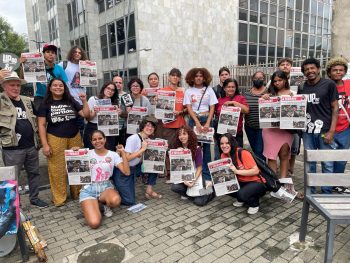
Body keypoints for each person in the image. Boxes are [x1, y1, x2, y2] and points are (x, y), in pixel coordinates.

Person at [37, 78, 90, 206]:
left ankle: (78, 193)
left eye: (60, 85)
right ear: (50, 88)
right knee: (57, 169)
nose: (58, 87)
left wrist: (84, 101)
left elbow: (85, 114)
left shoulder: (71, 101)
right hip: (55, 138)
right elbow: (42, 125)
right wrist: (45, 145)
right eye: (55, 85)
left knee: (77, 166)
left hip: (75, 137)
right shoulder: (45, 104)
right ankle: (59, 198)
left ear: (64, 88)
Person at [0, 72, 48, 208]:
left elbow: (37, 119)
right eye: (12, 85)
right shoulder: (1, 99)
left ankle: (34, 198)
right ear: (4, 86)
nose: (15, 88)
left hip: (31, 145)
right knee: (12, 177)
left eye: (17, 85)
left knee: (34, 173)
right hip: (12, 148)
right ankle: (14, 204)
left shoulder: (27, 100)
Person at [298, 58, 339, 194]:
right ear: (304, 72)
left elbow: (335, 108)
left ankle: (327, 193)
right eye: (306, 70)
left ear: (318, 69)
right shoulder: (302, 87)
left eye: (312, 68)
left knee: (327, 163)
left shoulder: (329, 84)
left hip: (325, 131)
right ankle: (311, 193)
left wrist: (332, 131)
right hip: (307, 131)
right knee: (310, 163)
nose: (310, 71)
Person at [78, 130, 130, 229]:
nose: (97, 141)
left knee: (115, 201)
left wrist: (123, 153)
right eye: (94, 139)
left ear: (105, 139)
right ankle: (94, 204)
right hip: (89, 189)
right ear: (91, 142)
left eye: (100, 138)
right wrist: (74, 153)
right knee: (94, 223)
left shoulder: (113, 155)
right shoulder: (86, 153)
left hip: (105, 187)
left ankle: (104, 204)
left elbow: (127, 172)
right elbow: (72, 170)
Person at [112, 116, 161, 205]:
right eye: (148, 125)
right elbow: (126, 158)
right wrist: (142, 149)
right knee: (130, 201)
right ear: (142, 126)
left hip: (135, 169)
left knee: (156, 164)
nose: (150, 128)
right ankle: (113, 190)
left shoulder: (147, 140)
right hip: (123, 170)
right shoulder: (133, 138)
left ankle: (149, 190)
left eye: (152, 127)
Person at [183, 67, 218, 183]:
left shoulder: (209, 90)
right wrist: (197, 122)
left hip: (206, 119)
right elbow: (188, 108)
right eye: (196, 76)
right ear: (192, 78)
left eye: (200, 76)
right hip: (193, 121)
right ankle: (194, 175)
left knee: (207, 149)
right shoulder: (188, 91)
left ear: (204, 78)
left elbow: (212, 107)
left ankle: (207, 177)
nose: (198, 78)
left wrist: (208, 122)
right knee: (194, 148)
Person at [219, 133, 266, 215]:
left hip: (256, 182)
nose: (224, 145)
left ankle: (254, 204)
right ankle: (242, 198)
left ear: (232, 143)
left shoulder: (242, 153)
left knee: (242, 194)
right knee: (221, 187)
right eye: (222, 143)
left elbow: (256, 171)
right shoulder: (223, 155)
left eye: (227, 143)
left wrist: (237, 171)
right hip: (241, 181)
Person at [155, 68, 187, 182]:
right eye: (173, 75)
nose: (175, 77)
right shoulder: (162, 91)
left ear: (179, 78)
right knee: (168, 150)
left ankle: (180, 172)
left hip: (180, 125)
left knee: (180, 149)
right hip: (167, 126)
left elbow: (187, 109)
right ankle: (169, 173)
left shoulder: (183, 91)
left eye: (177, 76)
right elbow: (159, 110)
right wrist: (157, 102)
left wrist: (180, 112)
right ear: (169, 77)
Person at [171, 126, 214, 206]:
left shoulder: (197, 148)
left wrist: (193, 181)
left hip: (197, 176)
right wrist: (177, 154)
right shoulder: (177, 149)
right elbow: (176, 169)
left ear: (189, 135)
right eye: (180, 135)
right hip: (185, 178)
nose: (182, 137)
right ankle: (188, 193)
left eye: (184, 134)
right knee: (174, 187)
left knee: (199, 202)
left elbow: (199, 168)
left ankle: (211, 191)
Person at [326, 57, 350, 193]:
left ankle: (337, 183)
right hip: (329, 128)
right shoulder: (325, 85)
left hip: (346, 128)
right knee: (328, 158)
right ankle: (328, 184)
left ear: (345, 71)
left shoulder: (349, 84)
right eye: (335, 70)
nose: (338, 72)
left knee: (342, 159)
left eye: (341, 70)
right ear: (329, 72)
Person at [21, 44, 68, 111]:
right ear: (43, 54)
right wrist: (23, 65)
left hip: (55, 97)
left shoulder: (59, 69)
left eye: (53, 53)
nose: (50, 54)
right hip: (40, 97)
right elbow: (23, 78)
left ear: (55, 55)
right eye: (48, 52)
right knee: (40, 117)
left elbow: (65, 85)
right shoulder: (36, 66)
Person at [59, 46, 89, 137]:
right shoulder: (63, 64)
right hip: (67, 101)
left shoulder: (85, 65)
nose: (77, 54)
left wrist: (89, 66)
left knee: (80, 127)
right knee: (66, 126)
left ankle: (79, 147)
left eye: (79, 52)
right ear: (71, 53)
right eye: (75, 52)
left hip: (80, 101)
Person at [84, 81, 120, 150]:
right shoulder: (93, 99)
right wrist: (94, 112)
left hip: (108, 129)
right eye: (108, 88)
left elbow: (114, 121)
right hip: (93, 128)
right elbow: (88, 118)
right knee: (92, 151)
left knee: (109, 151)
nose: (110, 91)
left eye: (113, 90)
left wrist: (117, 114)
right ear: (104, 88)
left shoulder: (114, 103)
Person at [215, 78, 249, 148]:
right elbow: (215, 114)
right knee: (224, 156)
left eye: (233, 87)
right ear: (224, 88)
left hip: (237, 134)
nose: (231, 89)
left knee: (237, 154)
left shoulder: (240, 98)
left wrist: (234, 103)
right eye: (228, 87)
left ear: (236, 88)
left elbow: (246, 110)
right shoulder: (219, 100)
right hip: (222, 134)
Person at [243, 71, 267, 160]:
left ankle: (262, 172)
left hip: (263, 128)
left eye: (261, 78)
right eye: (256, 78)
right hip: (249, 127)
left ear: (264, 79)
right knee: (255, 150)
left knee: (259, 150)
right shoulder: (247, 93)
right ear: (252, 79)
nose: (258, 80)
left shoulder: (269, 92)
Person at [112, 75, 128, 145]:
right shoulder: (109, 95)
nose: (118, 84)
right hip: (111, 128)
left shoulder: (127, 96)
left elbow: (129, 112)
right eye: (116, 82)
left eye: (120, 82)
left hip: (123, 128)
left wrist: (122, 113)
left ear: (123, 84)